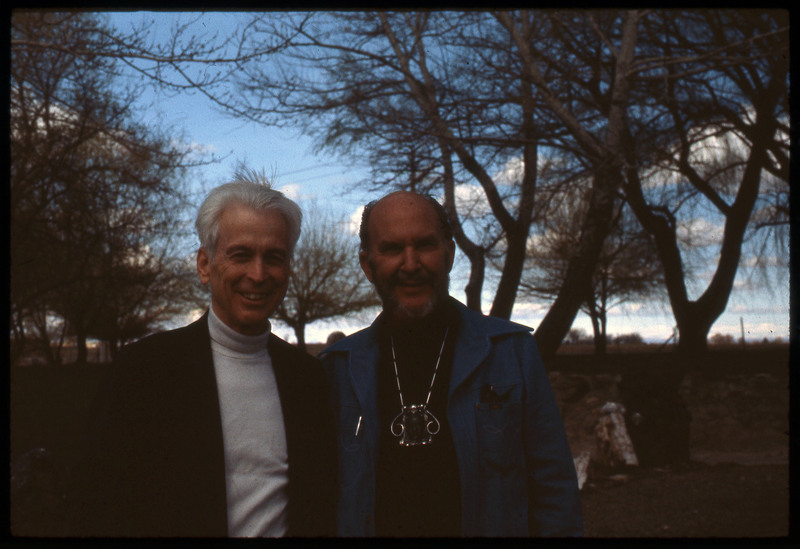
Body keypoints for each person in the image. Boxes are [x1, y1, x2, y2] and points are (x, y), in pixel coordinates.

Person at [73, 174, 335, 537]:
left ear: (288, 269)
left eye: (273, 257)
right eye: (241, 255)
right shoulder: (143, 370)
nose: (258, 274)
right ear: (204, 265)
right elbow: (98, 502)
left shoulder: (308, 379)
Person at [321, 191, 583, 537]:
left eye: (425, 245)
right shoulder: (337, 370)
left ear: (449, 254)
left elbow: (556, 495)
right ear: (367, 265)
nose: (411, 264)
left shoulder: (511, 352)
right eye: (392, 249)